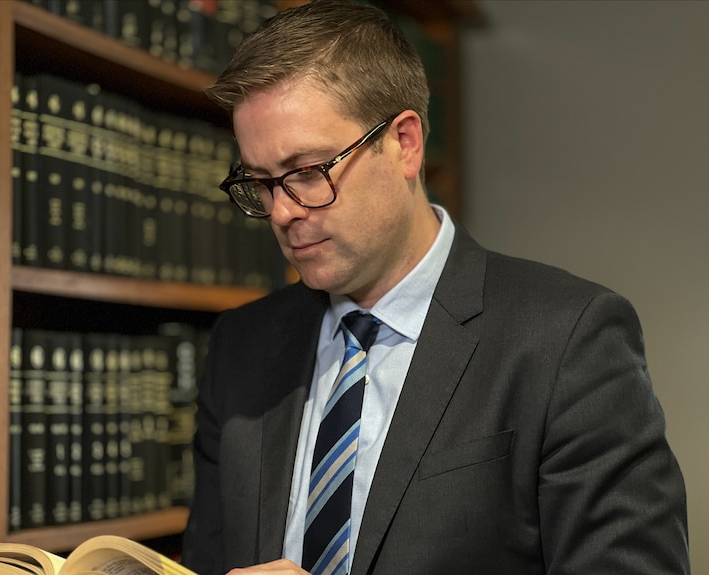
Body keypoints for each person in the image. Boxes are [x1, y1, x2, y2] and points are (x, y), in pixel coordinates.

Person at [180, 1, 690, 573]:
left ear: (404, 143)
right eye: (261, 182)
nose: (281, 212)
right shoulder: (239, 346)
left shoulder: (568, 340)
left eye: (307, 172)